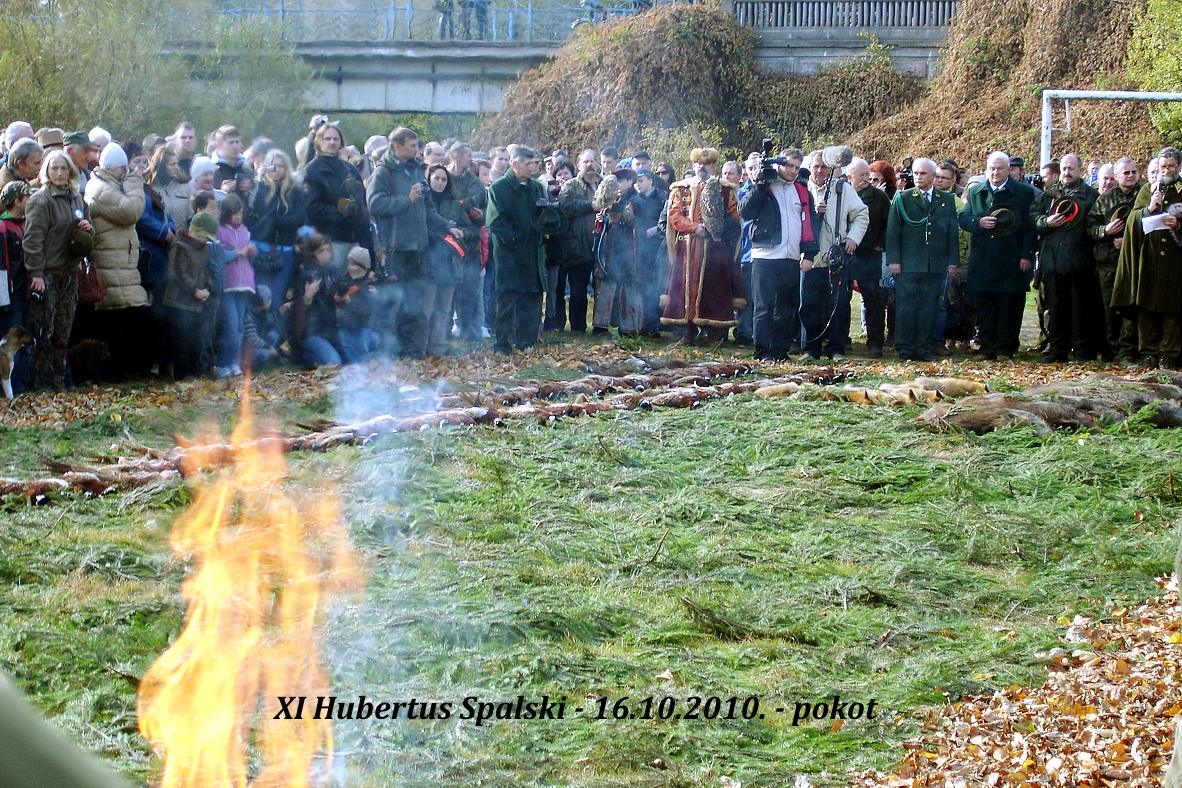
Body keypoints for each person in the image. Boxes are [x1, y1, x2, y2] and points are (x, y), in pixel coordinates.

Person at [367, 127, 461, 358]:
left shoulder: (416, 171)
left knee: (415, 303)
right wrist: (405, 199)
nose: (416, 149)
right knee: (394, 303)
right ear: (396, 146)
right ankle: (390, 352)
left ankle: (412, 351)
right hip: (395, 249)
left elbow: (429, 210)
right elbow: (374, 204)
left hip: (418, 249)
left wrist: (447, 226)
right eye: (411, 145)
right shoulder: (383, 172)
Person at [739, 148, 819, 361]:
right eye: (789, 165)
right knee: (763, 308)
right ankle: (763, 351)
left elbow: (810, 224)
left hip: (791, 257)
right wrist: (759, 184)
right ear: (778, 164)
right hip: (764, 256)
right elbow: (745, 211)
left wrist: (810, 254)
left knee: (786, 308)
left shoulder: (802, 191)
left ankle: (780, 351)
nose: (792, 171)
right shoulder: (764, 186)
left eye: (796, 167)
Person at [958, 151, 1037, 361]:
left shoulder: (1024, 193)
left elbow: (1030, 227)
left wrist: (1027, 255)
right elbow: (964, 218)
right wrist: (978, 222)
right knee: (985, 304)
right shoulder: (977, 192)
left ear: (1009, 170)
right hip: (984, 258)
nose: (995, 173)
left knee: (1009, 303)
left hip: (1011, 257)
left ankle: (1006, 348)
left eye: (999, 169)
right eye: (991, 169)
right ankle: (986, 346)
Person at [661, 147, 745, 344]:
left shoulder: (726, 190)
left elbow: (734, 217)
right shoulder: (680, 189)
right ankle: (687, 331)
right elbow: (674, 215)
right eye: (698, 163)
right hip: (687, 248)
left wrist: (716, 228)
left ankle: (714, 333)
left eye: (706, 163)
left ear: (713, 165)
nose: (701, 166)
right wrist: (694, 227)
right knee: (684, 289)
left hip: (714, 249)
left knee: (714, 289)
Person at [24, 151, 92, 390]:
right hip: (47, 274)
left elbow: (89, 230)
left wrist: (88, 228)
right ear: (47, 172)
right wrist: (36, 273)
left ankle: (60, 381)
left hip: (70, 273)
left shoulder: (77, 198)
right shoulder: (40, 200)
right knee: (45, 330)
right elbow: (32, 239)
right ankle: (42, 384)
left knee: (63, 330)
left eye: (64, 168)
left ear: (70, 171)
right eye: (55, 168)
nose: (60, 173)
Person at [1113, 146, 1182, 368]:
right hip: (1149, 258)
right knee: (1146, 306)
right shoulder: (1147, 190)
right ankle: (1148, 351)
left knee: (1173, 307)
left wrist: (1178, 224)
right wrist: (1148, 209)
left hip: (1174, 258)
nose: (1167, 170)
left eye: (1171, 166)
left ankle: (1169, 353)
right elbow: (1133, 220)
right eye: (1163, 166)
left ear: (1179, 166)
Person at [885, 157, 960, 362]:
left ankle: (923, 347)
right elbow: (893, 231)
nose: (918, 177)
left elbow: (952, 232)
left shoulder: (945, 200)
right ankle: (905, 347)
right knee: (906, 306)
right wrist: (894, 260)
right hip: (908, 262)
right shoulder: (904, 198)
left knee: (929, 306)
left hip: (934, 263)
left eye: (923, 173)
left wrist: (952, 261)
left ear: (933, 176)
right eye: (916, 173)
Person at [85, 142, 149, 378]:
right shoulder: (101, 189)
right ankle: (116, 371)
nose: (126, 173)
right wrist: (134, 183)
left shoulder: (107, 185)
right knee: (117, 320)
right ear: (113, 168)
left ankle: (126, 369)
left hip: (120, 264)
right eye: (123, 168)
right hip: (111, 265)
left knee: (126, 318)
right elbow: (130, 211)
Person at [1029, 153, 1102, 362]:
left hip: (1080, 261)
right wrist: (1046, 222)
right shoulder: (1049, 195)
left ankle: (1081, 350)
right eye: (1064, 169)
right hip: (1052, 261)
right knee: (1055, 308)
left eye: (1071, 168)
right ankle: (1057, 349)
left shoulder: (1091, 195)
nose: (1067, 173)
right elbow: (1032, 218)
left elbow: (1096, 223)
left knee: (1080, 309)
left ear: (1080, 170)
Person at [802, 147, 867, 359]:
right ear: (809, 167)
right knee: (809, 305)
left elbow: (861, 213)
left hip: (836, 258)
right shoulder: (802, 188)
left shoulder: (842, 189)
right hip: (809, 259)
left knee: (838, 305)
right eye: (816, 166)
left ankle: (836, 348)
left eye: (824, 167)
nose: (819, 171)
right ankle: (810, 349)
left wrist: (853, 238)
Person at [486, 146, 547, 354]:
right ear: (514, 164)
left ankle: (526, 342)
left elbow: (542, 214)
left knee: (532, 296)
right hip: (508, 253)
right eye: (528, 164)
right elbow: (495, 221)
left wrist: (548, 223)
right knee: (507, 297)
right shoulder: (499, 188)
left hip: (532, 251)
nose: (532, 168)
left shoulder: (536, 187)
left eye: (534, 163)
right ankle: (503, 343)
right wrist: (514, 238)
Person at [1087, 156, 1141, 364]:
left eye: (1134, 172)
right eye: (1126, 173)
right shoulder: (1105, 199)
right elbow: (1090, 228)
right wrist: (1105, 231)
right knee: (1110, 309)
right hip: (1108, 264)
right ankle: (1111, 350)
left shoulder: (1144, 195)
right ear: (1117, 176)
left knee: (1132, 308)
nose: (1131, 176)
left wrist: (1128, 241)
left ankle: (1129, 351)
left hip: (1135, 263)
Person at [247, 149, 307, 319]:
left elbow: (299, 219)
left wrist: (275, 221)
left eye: (281, 166)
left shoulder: (295, 190)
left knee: (277, 296)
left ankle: (274, 333)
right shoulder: (261, 188)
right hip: (260, 249)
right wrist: (260, 180)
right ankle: (259, 333)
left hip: (284, 250)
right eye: (273, 166)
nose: (277, 170)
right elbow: (256, 211)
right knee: (261, 296)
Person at [303, 122, 372, 268]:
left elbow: (362, 205)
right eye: (327, 138)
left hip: (356, 238)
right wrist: (342, 211)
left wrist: (368, 242)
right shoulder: (311, 171)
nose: (332, 142)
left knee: (359, 281)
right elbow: (311, 209)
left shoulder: (350, 169)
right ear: (319, 141)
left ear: (341, 142)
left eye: (335, 139)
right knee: (334, 280)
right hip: (330, 241)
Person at [424, 163, 475, 356]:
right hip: (427, 260)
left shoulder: (455, 202)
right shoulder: (422, 200)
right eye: (436, 178)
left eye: (444, 179)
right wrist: (438, 237)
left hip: (449, 260)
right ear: (429, 179)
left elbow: (469, 229)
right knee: (426, 307)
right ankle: (422, 346)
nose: (440, 182)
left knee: (444, 308)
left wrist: (460, 235)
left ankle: (438, 346)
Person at [163, 211, 216, 380]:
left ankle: (194, 372)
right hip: (179, 302)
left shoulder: (203, 248)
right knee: (181, 341)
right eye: (205, 236)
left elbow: (206, 271)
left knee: (195, 339)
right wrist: (194, 290)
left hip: (196, 303)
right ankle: (180, 375)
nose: (206, 240)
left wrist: (207, 287)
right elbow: (178, 272)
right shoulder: (180, 246)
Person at [847, 157, 891, 358]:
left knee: (873, 299)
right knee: (841, 299)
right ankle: (841, 339)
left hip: (869, 254)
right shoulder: (842, 194)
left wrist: (881, 244)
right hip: (845, 255)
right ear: (850, 177)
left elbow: (888, 224)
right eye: (861, 175)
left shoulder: (879, 197)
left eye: (868, 174)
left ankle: (875, 342)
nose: (866, 178)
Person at [591, 168, 643, 337]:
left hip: (629, 249)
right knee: (605, 286)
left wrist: (614, 210)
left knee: (628, 288)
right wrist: (601, 219)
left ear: (629, 181)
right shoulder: (610, 198)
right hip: (610, 248)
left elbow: (629, 217)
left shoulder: (635, 200)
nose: (618, 184)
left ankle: (628, 328)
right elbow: (604, 221)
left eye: (621, 181)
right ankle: (600, 326)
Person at [557, 149, 602, 334]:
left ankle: (600, 327)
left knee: (601, 289)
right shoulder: (571, 185)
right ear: (578, 165)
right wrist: (590, 205)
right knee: (578, 290)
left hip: (601, 246)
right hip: (577, 245)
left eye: (592, 161)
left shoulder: (604, 183)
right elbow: (565, 205)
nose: (589, 165)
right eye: (585, 162)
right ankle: (578, 328)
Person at [214, 194, 257, 377]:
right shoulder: (219, 230)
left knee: (240, 326)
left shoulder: (245, 231)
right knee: (230, 326)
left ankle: (234, 362)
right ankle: (222, 363)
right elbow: (220, 256)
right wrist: (239, 252)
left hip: (245, 283)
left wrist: (252, 252)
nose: (238, 217)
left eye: (240, 213)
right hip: (228, 284)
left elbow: (250, 256)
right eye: (235, 213)